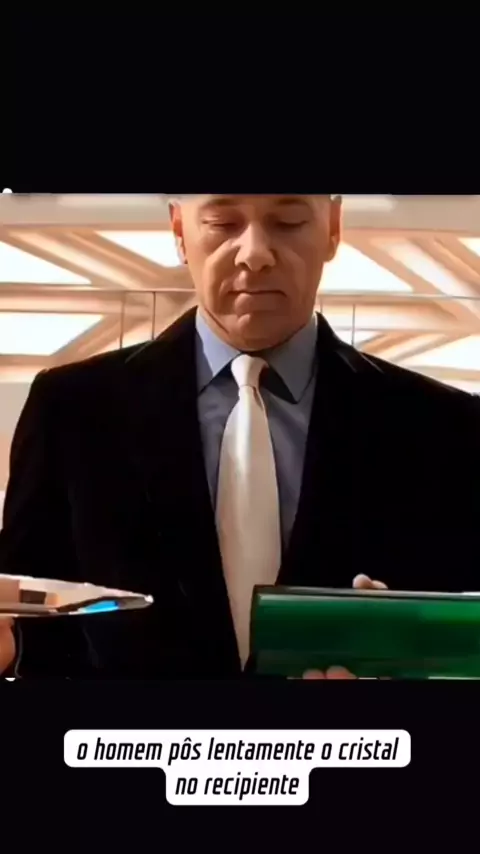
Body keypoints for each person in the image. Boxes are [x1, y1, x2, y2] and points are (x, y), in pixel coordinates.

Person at [0, 194, 479, 679]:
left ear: (333, 226)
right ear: (180, 231)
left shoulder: (445, 429)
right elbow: (30, 633)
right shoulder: (73, 410)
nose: (255, 253)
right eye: (222, 222)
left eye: (288, 221)